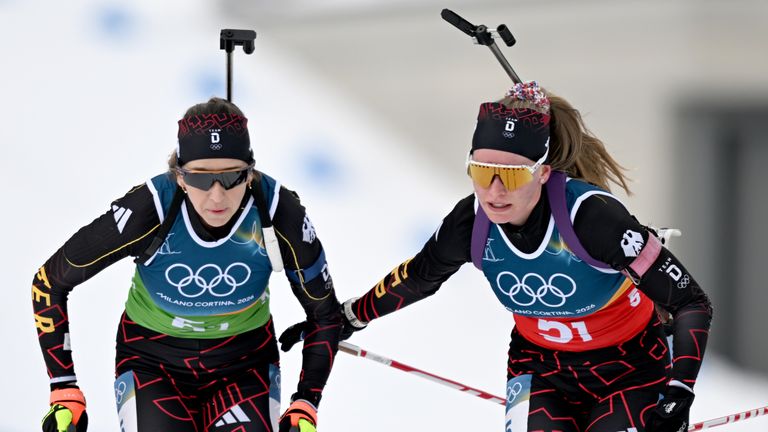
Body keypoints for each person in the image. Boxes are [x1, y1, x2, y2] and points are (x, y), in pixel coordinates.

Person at [281, 81, 713, 432]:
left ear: (543, 173)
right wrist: (346, 317)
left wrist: (681, 389)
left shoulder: (591, 218)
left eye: (511, 175)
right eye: (482, 172)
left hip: (630, 367)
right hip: (541, 368)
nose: (494, 191)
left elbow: (692, 302)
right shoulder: (471, 223)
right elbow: (419, 277)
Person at [32, 97, 341, 432]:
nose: (217, 195)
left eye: (232, 176)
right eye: (200, 178)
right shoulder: (150, 209)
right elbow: (49, 282)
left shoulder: (279, 211)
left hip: (244, 365)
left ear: (250, 173)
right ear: (179, 176)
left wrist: (305, 402)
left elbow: (325, 314)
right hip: (153, 362)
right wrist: (64, 389)